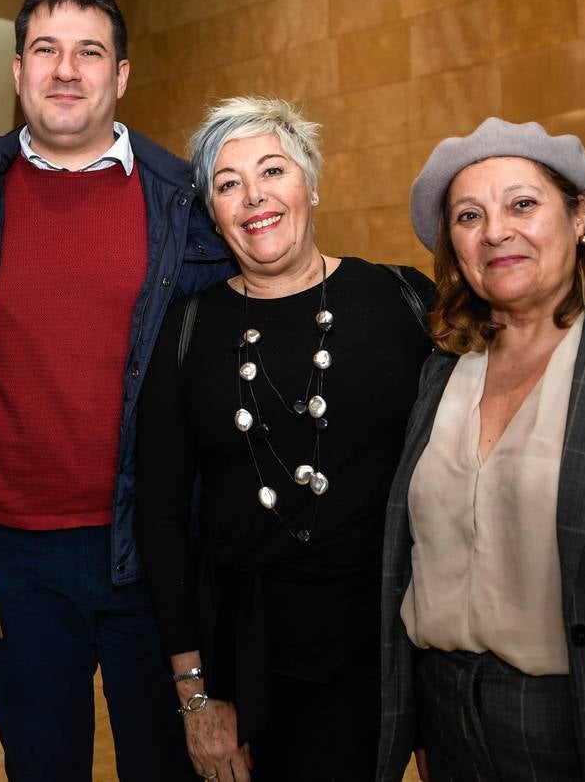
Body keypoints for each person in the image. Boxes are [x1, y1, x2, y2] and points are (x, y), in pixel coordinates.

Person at [0, 0, 232, 781]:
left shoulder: (187, 205)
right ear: (17, 69)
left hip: (156, 552)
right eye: (45, 50)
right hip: (11, 557)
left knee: (168, 767)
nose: (66, 70)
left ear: (120, 76)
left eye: (88, 52)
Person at [132, 97, 435, 782]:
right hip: (246, 656)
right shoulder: (185, 332)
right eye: (227, 182)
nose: (253, 196)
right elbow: (157, 515)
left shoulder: (401, 301)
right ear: (212, 212)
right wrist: (195, 696)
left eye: (272, 169)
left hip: (385, 643)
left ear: (311, 184)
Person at [376, 118, 585, 780]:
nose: (494, 232)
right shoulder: (438, 372)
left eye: (521, 204)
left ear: (579, 219)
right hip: (448, 713)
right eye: (467, 215)